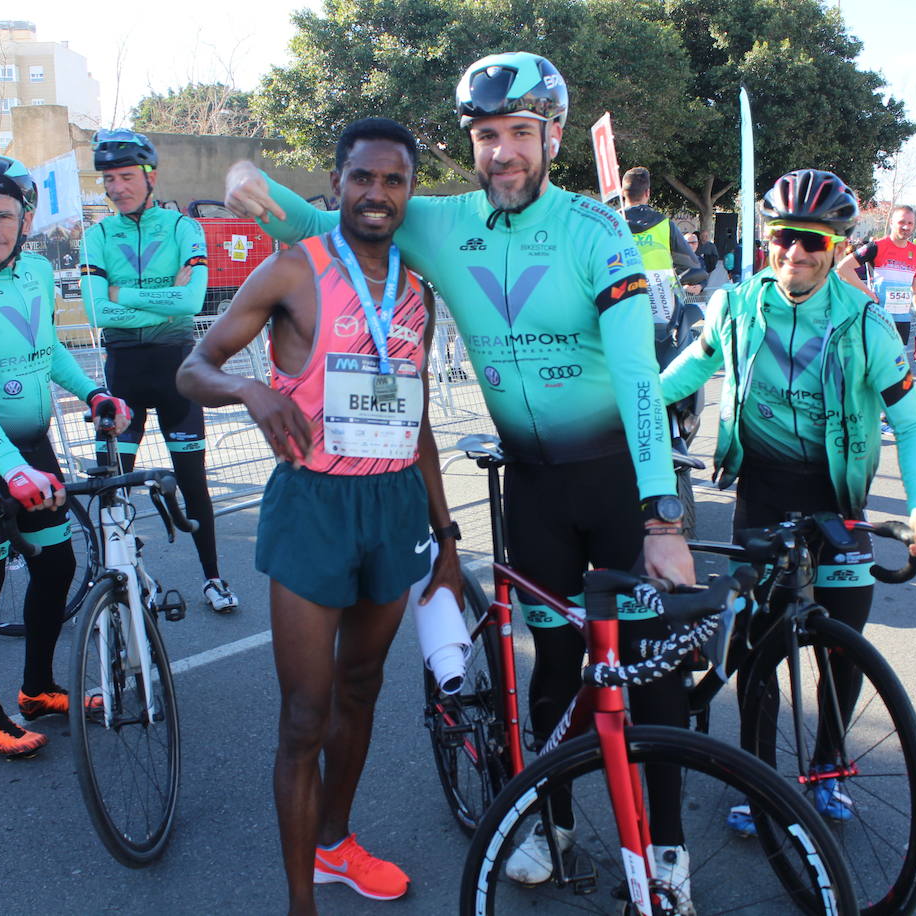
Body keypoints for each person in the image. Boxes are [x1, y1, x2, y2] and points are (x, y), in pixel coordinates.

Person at [224, 50, 696, 890]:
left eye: (521, 133)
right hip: (536, 488)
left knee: (648, 672)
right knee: (550, 666)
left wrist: (663, 520)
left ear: (552, 137)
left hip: (620, 482)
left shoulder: (597, 229)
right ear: (470, 144)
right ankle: (547, 828)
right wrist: (246, 181)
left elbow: (635, 379)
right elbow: (319, 217)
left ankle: (663, 851)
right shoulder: (438, 221)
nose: (503, 152)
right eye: (486, 136)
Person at [179, 118, 455, 914]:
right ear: (337, 183)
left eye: (393, 181)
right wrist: (251, 389)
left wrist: (444, 533)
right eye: (362, 178)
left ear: (408, 191)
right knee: (305, 714)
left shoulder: (415, 292)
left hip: (394, 496)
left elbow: (420, 416)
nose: (376, 194)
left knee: (362, 687)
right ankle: (301, 902)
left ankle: (335, 842)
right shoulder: (293, 269)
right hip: (315, 503)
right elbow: (194, 367)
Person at [658, 169, 916, 834]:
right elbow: (691, 369)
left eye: (812, 240)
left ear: (836, 246)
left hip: (836, 494)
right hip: (762, 490)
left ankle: (826, 768)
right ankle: (758, 780)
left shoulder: (867, 325)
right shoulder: (736, 306)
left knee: (840, 647)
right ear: (767, 240)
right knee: (761, 647)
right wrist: (634, 405)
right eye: (783, 237)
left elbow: (910, 425)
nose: (795, 251)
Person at [0, 155, 131, 756]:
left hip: (30, 444)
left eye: (3, 215)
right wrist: (10, 467)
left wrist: (92, 391)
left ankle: (36, 689)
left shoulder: (35, 270)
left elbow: (48, 348)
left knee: (57, 565)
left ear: (26, 218)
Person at [78, 129, 237, 613]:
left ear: (151, 176)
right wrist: (160, 300)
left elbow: (192, 301)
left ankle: (213, 578)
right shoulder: (96, 235)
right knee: (114, 488)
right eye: (109, 179)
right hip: (123, 377)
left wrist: (120, 294)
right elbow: (94, 311)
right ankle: (121, 581)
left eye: (127, 176)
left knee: (194, 486)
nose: (117, 187)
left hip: (177, 374)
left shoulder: (182, 228)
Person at [620, 166, 708, 323]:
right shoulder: (665, 225)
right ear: (647, 193)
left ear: (623, 193)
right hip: (662, 308)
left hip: (620, 304)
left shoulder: (610, 223)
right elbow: (691, 266)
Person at [835, 204, 916, 349]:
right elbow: (843, 268)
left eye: (910, 223)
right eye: (902, 222)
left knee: (897, 365)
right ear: (892, 223)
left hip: (902, 320)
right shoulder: (876, 247)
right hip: (877, 317)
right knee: (875, 365)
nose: (906, 227)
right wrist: (867, 292)